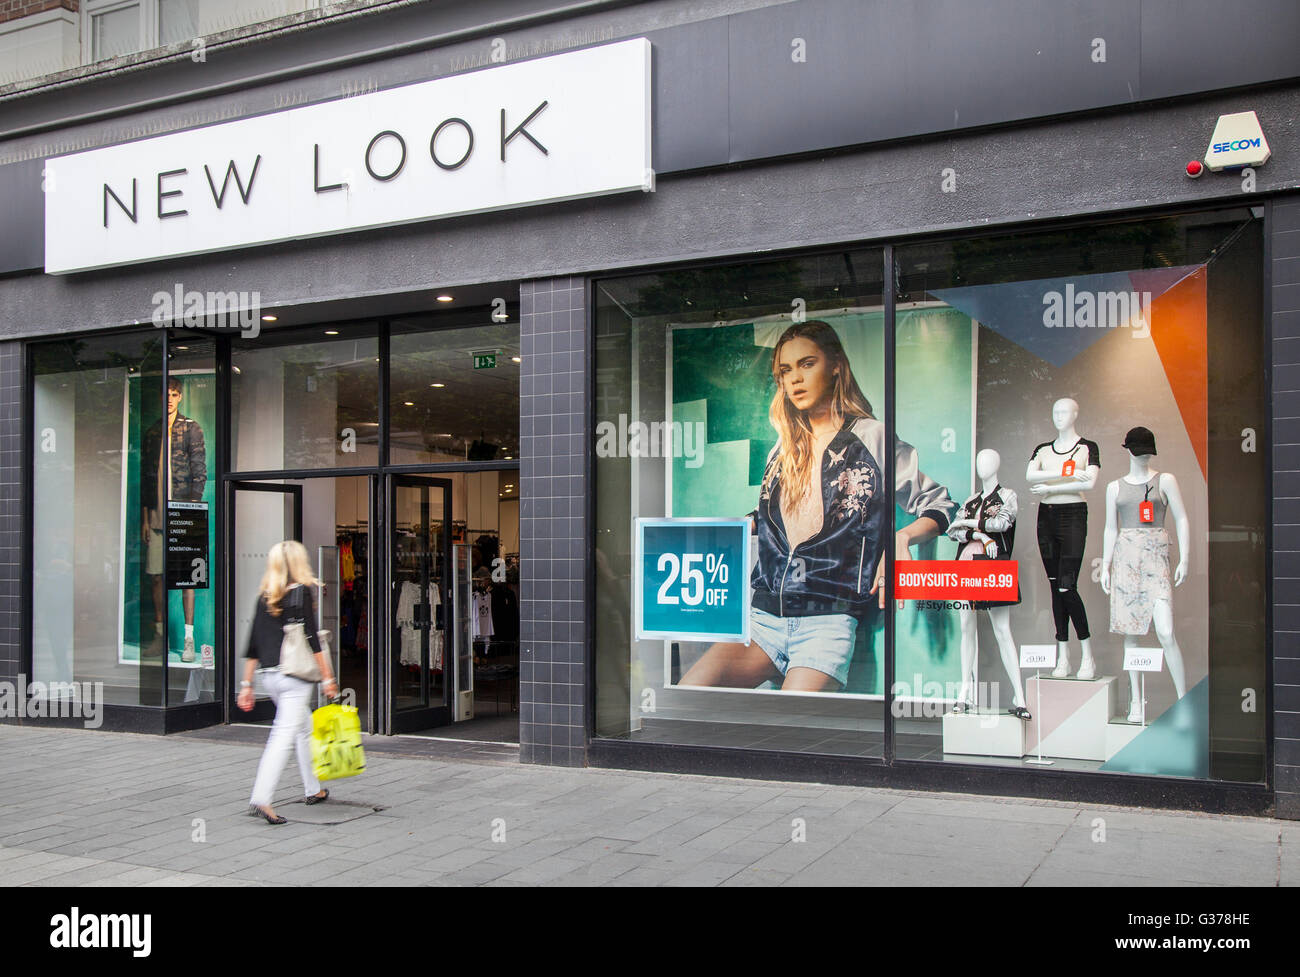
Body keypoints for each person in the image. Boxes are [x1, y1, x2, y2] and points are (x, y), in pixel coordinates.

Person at [680, 320, 954, 693]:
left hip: (827, 621)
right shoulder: (783, 447)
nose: (795, 379)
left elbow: (939, 504)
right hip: (762, 618)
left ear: (836, 365)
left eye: (807, 364)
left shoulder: (870, 437)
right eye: (785, 371)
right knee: (689, 695)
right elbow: (775, 519)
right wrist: (733, 528)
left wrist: (902, 538)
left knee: (794, 734)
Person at [238, 541, 339, 824]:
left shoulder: (265, 596)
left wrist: (246, 685)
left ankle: (313, 789)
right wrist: (327, 678)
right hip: (295, 677)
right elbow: (312, 639)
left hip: (270, 677)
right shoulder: (301, 593)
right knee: (282, 737)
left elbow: (253, 644)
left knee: (302, 729)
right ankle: (261, 797)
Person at [142, 376, 207, 662]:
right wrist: (145, 518)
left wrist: (191, 509)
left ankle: (189, 638)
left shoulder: (190, 428)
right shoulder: (153, 431)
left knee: (187, 579)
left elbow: (199, 470)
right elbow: (145, 478)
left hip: (184, 512)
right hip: (156, 515)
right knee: (156, 575)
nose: (169, 398)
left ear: (180, 397)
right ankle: (159, 634)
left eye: (174, 394)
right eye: (165, 394)